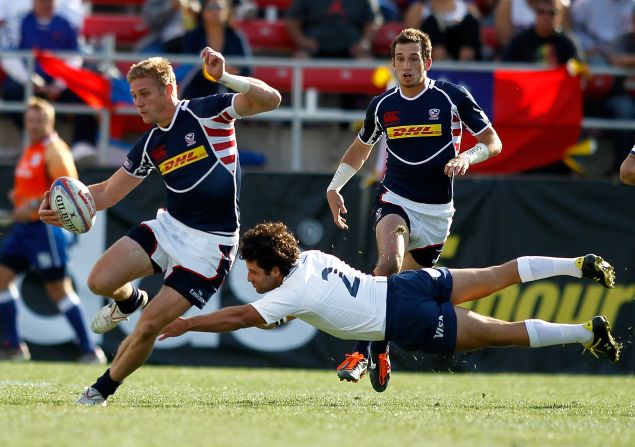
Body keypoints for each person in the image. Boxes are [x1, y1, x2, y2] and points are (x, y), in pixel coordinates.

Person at [38, 49, 281, 405]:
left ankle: (101, 390)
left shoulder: (207, 112)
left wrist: (226, 77)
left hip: (210, 247)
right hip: (170, 227)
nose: (137, 102)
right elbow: (105, 193)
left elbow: (271, 100)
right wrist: (62, 201)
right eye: (134, 95)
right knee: (98, 281)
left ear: (169, 88)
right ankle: (130, 298)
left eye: (145, 93)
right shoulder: (150, 143)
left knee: (150, 325)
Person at [158, 222, 621, 394]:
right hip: (409, 285)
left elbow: (241, 317)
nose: (250, 280)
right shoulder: (313, 260)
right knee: (498, 274)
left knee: (503, 332)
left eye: (254, 271)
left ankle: (588, 333)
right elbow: (348, 300)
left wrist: (186, 324)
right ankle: (576, 263)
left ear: (275, 269)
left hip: (406, 318)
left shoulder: (286, 294)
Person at [325, 28, 502, 390]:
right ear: (392, 63)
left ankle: (381, 347)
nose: (407, 67)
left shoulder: (451, 96)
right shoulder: (382, 105)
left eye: (414, 59)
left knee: (400, 291)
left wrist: (467, 157)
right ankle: (360, 353)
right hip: (395, 199)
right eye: (400, 59)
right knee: (387, 264)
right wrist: (334, 186)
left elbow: (492, 141)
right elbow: (360, 149)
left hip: (437, 215)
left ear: (428, 62)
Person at [0, 97, 106, 364]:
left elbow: (70, 190)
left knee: (58, 290)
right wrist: (19, 197)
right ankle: (14, 347)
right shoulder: (32, 148)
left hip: (45, 230)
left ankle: (90, 349)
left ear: (50, 122)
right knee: (1, 279)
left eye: (39, 120)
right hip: (25, 231)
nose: (34, 125)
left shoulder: (55, 150)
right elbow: (32, 185)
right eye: (30, 120)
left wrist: (34, 204)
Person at [0, 0, 97, 149]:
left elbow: (74, 57)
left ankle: (83, 145)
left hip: (58, 81)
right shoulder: (19, 23)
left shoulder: (65, 24)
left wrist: (59, 84)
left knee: (84, 93)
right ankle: (35, 142)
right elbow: (9, 56)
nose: (46, 3)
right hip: (27, 81)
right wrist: (29, 80)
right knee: (11, 91)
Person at [179, 0, 252, 100]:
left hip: (229, 91)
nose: (215, 12)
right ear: (203, 12)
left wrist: (228, 72)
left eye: (219, 7)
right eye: (211, 8)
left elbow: (246, 69)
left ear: (226, 11)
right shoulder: (193, 36)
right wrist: (213, 71)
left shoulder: (236, 37)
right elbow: (187, 66)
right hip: (196, 91)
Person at [501, 0, 580, 66]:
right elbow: (505, 66)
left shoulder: (567, 42)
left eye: (552, 13)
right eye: (541, 12)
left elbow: (579, 66)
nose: (546, 17)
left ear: (559, 16)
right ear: (535, 14)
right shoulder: (520, 41)